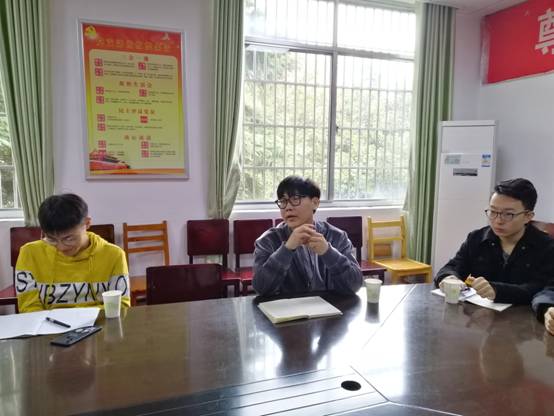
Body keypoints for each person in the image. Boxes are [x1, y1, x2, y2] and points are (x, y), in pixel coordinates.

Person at [434, 178, 554, 305]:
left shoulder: (546, 247)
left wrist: (497, 291)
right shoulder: (477, 238)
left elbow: (541, 289)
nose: (498, 220)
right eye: (493, 211)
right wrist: (449, 277)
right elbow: (452, 266)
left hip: (523, 315)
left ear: (528, 216)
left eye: (508, 214)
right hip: (477, 314)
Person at [15, 193, 130, 312]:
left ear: (87, 223)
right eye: (51, 239)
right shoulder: (29, 254)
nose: (61, 247)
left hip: (99, 322)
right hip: (48, 324)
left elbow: (120, 306)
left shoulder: (114, 255)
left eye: (69, 239)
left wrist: (78, 318)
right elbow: (29, 308)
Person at [252, 176, 363, 296]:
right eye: (283, 201)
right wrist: (287, 249)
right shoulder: (267, 241)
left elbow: (355, 285)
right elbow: (261, 288)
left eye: (295, 199)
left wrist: (328, 252)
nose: (288, 207)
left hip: (330, 305)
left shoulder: (337, 237)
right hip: (287, 306)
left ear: (315, 203)